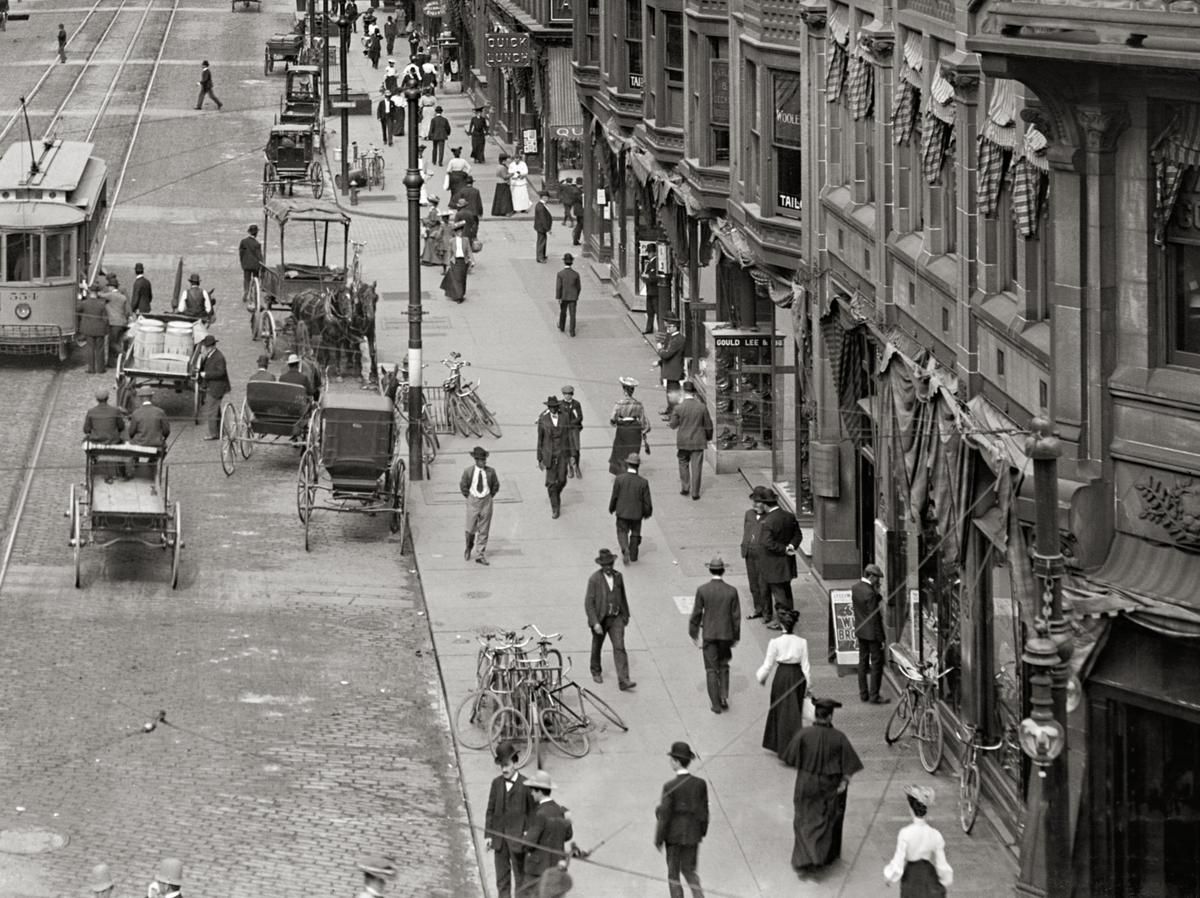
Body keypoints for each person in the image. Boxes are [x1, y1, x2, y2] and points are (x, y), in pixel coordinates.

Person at [782, 698, 863, 874]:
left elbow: (790, 757)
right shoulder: (839, 737)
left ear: (815, 714)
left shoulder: (804, 734)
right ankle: (817, 857)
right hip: (829, 785)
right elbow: (850, 765)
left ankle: (803, 857)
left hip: (806, 782)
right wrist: (844, 781)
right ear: (830, 716)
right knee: (824, 819)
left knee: (803, 817)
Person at [654, 742, 708, 898]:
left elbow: (664, 816)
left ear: (677, 762)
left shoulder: (669, 786)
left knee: (673, 875)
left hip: (673, 838)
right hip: (692, 836)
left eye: (672, 759)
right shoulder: (700, 784)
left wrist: (659, 839)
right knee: (690, 871)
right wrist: (700, 832)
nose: (670, 762)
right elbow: (704, 812)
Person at [689, 556, 740, 714]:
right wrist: (735, 637)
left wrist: (694, 632)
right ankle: (724, 695)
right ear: (723, 571)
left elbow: (696, 613)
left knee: (711, 669)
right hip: (726, 635)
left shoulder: (703, 590)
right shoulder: (731, 591)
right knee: (723, 665)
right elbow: (736, 616)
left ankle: (715, 704)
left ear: (710, 570)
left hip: (709, 634)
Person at [756, 609, 810, 760]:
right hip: (797, 676)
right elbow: (806, 666)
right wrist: (809, 686)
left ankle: (779, 744)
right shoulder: (802, 642)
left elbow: (767, 665)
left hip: (782, 676)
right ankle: (794, 746)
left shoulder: (775, 642)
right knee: (794, 712)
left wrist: (761, 677)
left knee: (780, 710)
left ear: (781, 625)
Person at [883, 785, 954, 897]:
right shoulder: (934, 834)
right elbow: (942, 864)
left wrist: (889, 877)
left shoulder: (905, 833)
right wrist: (945, 880)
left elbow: (899, 859)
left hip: (911, 877)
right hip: (929, 876)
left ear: (910, 808)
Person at [486, 742, 535, 898]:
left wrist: (528, 836)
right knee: (502, 880)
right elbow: (490, 811)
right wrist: (488, 834)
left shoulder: (526, 785)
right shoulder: (496, 783)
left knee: (521, 880)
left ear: (515, 762)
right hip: (499, 840)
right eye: (501, 766)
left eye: (507, 765)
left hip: (518, 840)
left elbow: (533, 814)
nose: (504, 769)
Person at [584, 548, 635, 689]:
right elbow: (589, 603)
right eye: (605, 565)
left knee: (620, 647)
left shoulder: (618, 577)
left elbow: (622, 596)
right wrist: (595, 623)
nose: (608, 567)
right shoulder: (594, 579)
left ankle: (623, 680)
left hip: (616, 618)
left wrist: (625, 615)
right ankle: (596, 671)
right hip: (601, 619)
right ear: (601, 565)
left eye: (610, 564)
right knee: (597, 646)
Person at [522, 771, 574, 887]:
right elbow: (568, 835)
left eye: (532, 790)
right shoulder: (560, 810)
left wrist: (525, 835)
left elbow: (529, 843)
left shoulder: (540, 813)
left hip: (538, 871)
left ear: (539, 792)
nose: (531, 793)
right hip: (557, 867)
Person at [759, 488, 802, 630]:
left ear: (765, 505)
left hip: (774, 563)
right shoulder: (789, 516)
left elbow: (767, 543)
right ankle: (790, 616)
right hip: (788, 562)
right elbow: (798, 535)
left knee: (779, 593)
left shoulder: (768, 521)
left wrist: (783, 549)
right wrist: (790, 546)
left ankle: (782, 621)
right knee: (786, 590)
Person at [853, 562, 890, 704]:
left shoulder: (855, 588)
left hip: (861, 631)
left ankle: (863, 694)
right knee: (876, 664)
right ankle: (874, 695)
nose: (878, 581)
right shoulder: (870, 594)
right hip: (872, 635)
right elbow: (875, 618)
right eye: (877, 578)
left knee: (862, 662)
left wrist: (876, 593)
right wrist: (881, 638)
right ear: (871, 576)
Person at [669, 382, 713, 500]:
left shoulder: (678, 408)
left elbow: (672, 424)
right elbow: (708, 425)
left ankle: (685, 487)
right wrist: (708, 437)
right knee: (697, 466)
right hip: (698, 441)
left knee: (683, 462)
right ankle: (695, 493)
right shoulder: (702, 407)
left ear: (683, 392)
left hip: (683, 441)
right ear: (694, 393)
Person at [609, 453, 651, 564]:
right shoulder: (643, 482)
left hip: (622, 512)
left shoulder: (619, 479)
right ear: (638, 466)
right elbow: (647, 501)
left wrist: (612, 507)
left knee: (622, 531)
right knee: (635, 533)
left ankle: (624, 548)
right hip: (637, 514)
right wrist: (647, 513)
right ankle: (633, 555)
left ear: (628, 465)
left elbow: (615, 496)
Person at [461, 446, 499, 565]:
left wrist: (489, 497)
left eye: (485, 460)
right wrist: (470, 498)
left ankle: (480, 555)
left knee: (484, 529)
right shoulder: (468, 472)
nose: (484, 462)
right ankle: (468, 547)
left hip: (486, 501)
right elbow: (463, 486)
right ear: (476, 460)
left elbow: (495, 486)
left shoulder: (490, 472)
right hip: (473, 501)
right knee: (470, 528)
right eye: (482, 460)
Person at [536, 396, 570, 518]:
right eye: (550, 407)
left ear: (558, 406)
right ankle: (555, 508)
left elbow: (569, 436)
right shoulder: (543, 420)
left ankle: (556, 492)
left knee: (562, 480)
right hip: (549, 455)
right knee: (551, 483)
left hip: (562, 455)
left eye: (555, 407)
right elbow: (540, 440)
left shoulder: (564, 417)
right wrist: (539, 458)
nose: (553, 409)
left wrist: (572, 456)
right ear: (548, 407)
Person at [608, 377, 650, 474]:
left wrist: (615, 423)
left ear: (623, 389)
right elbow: (644, 422)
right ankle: (632, 472)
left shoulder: (619, 404)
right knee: (633, 452)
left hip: (622, 430)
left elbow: (612, 419)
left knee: (621, 452)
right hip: (635, 431)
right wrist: (643, 432)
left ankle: (622, 473)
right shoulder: (638, 404)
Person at [742, 486, 771, 621]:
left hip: (762, 556)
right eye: (754, 501)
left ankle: (767, 613)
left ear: (765, 503)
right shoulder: (749, 514)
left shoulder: (770, 517)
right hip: (749, 553)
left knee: (763, 585)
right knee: (753, 584)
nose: (755, 504)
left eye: (758, 501)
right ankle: (757, 609)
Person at [196, 335, 229, 440]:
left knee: (212, 411)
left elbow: (221, 373)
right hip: (212, 386)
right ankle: (220, 431)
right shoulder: (211, 354)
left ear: (213, 346)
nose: (206, 348)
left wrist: (206, 375)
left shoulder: (219, 357)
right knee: (216, 410)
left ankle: (213, 434)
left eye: (208, 346)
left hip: (217, 388)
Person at [654, 316, 686, 417]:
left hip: (674, 371)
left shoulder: (677, 340)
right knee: (670, 391)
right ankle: (670, 410)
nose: (668, 327)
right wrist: (659, 362)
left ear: (676, 327)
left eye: (671, 326)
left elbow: (667, 354)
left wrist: (659, 349)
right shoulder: (673, 337)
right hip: (671, 370)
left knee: (673, 393)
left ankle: (673, 415)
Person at [77, 287, 109, 374]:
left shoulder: (84, 303)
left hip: (89, 329)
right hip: (99, 330)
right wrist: (106, 330)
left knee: (90, 349)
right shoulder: (102, 304)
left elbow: (77, 310)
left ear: (90, 292)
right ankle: (101, 369)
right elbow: (105, 319)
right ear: (97, 293)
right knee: (100, 349)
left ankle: (91, 369)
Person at [440, 221, 473, 302]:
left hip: (463, 262)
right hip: (455, 262)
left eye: (462, 231)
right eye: (459, 232)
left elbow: (469, 250)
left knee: (462, 279)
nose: (461, 233)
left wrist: (472, 260)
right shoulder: (452, 241)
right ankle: (459, 297)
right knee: (457, 280)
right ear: (455, 233)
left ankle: (461, 293)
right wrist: (448, 263)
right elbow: (450, 252)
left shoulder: (466, 240)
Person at [102, 276, 130, 366]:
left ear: (112, 287)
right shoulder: (123, 297)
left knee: (112, 343)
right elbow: (126, 311)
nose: (108, 288)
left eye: (108, 287)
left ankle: (126, 355)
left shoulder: (111, 295)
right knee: (116, 342)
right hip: (122, 322)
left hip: (114, 323)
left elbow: (99, 295)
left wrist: (86, 288)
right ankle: (111, 363)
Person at [555, 253, 580, 336]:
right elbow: (579, 287)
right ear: (572, 262)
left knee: (563, 311)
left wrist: (558, 297)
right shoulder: (576, 274)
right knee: (572, 314)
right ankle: (572, 331)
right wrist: (576, 295)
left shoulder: (560, 274)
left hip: (564, 296)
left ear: (564, 262)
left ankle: (562, 326)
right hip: (573, 297)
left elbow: (559, 287)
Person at [420, 199, 448, 267]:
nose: (428, 203)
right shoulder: (435, 210)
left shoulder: (433, 211)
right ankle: (427, 258)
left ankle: (430, 260)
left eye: (430, 202)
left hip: (433, 231)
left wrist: (424, 220)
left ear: (432, 203)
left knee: (430, 243)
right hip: (433, 230)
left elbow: (433, 223)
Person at [239, 224, 262, 298]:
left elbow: (241, 253)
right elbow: (259, 256)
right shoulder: (257, 244)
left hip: (246, 264)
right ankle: (254, 291)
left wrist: (242, 263)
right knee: (256, 278)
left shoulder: (243, 242)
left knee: (246, 279)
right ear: (256, 233)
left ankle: (246, 291)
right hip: (255, 265)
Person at [533, 192, 553, 263]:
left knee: (543, 241)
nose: (548, 199)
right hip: (541, 227)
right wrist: (548, 229)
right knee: (541, 242)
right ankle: (540, 257)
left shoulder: (540, 205)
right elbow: (543, 219)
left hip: (541, 227)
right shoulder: (541, 207)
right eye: (547, 198)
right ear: (544, 197)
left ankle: (542, 255)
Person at [643, 260, 659, 335]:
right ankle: (649, 328)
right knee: (650, 311)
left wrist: (648, 278)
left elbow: (655, 277)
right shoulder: (650, 263)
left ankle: (660, 328)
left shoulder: (655, 263)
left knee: (657, 311)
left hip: (654, 291)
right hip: (649, 291)